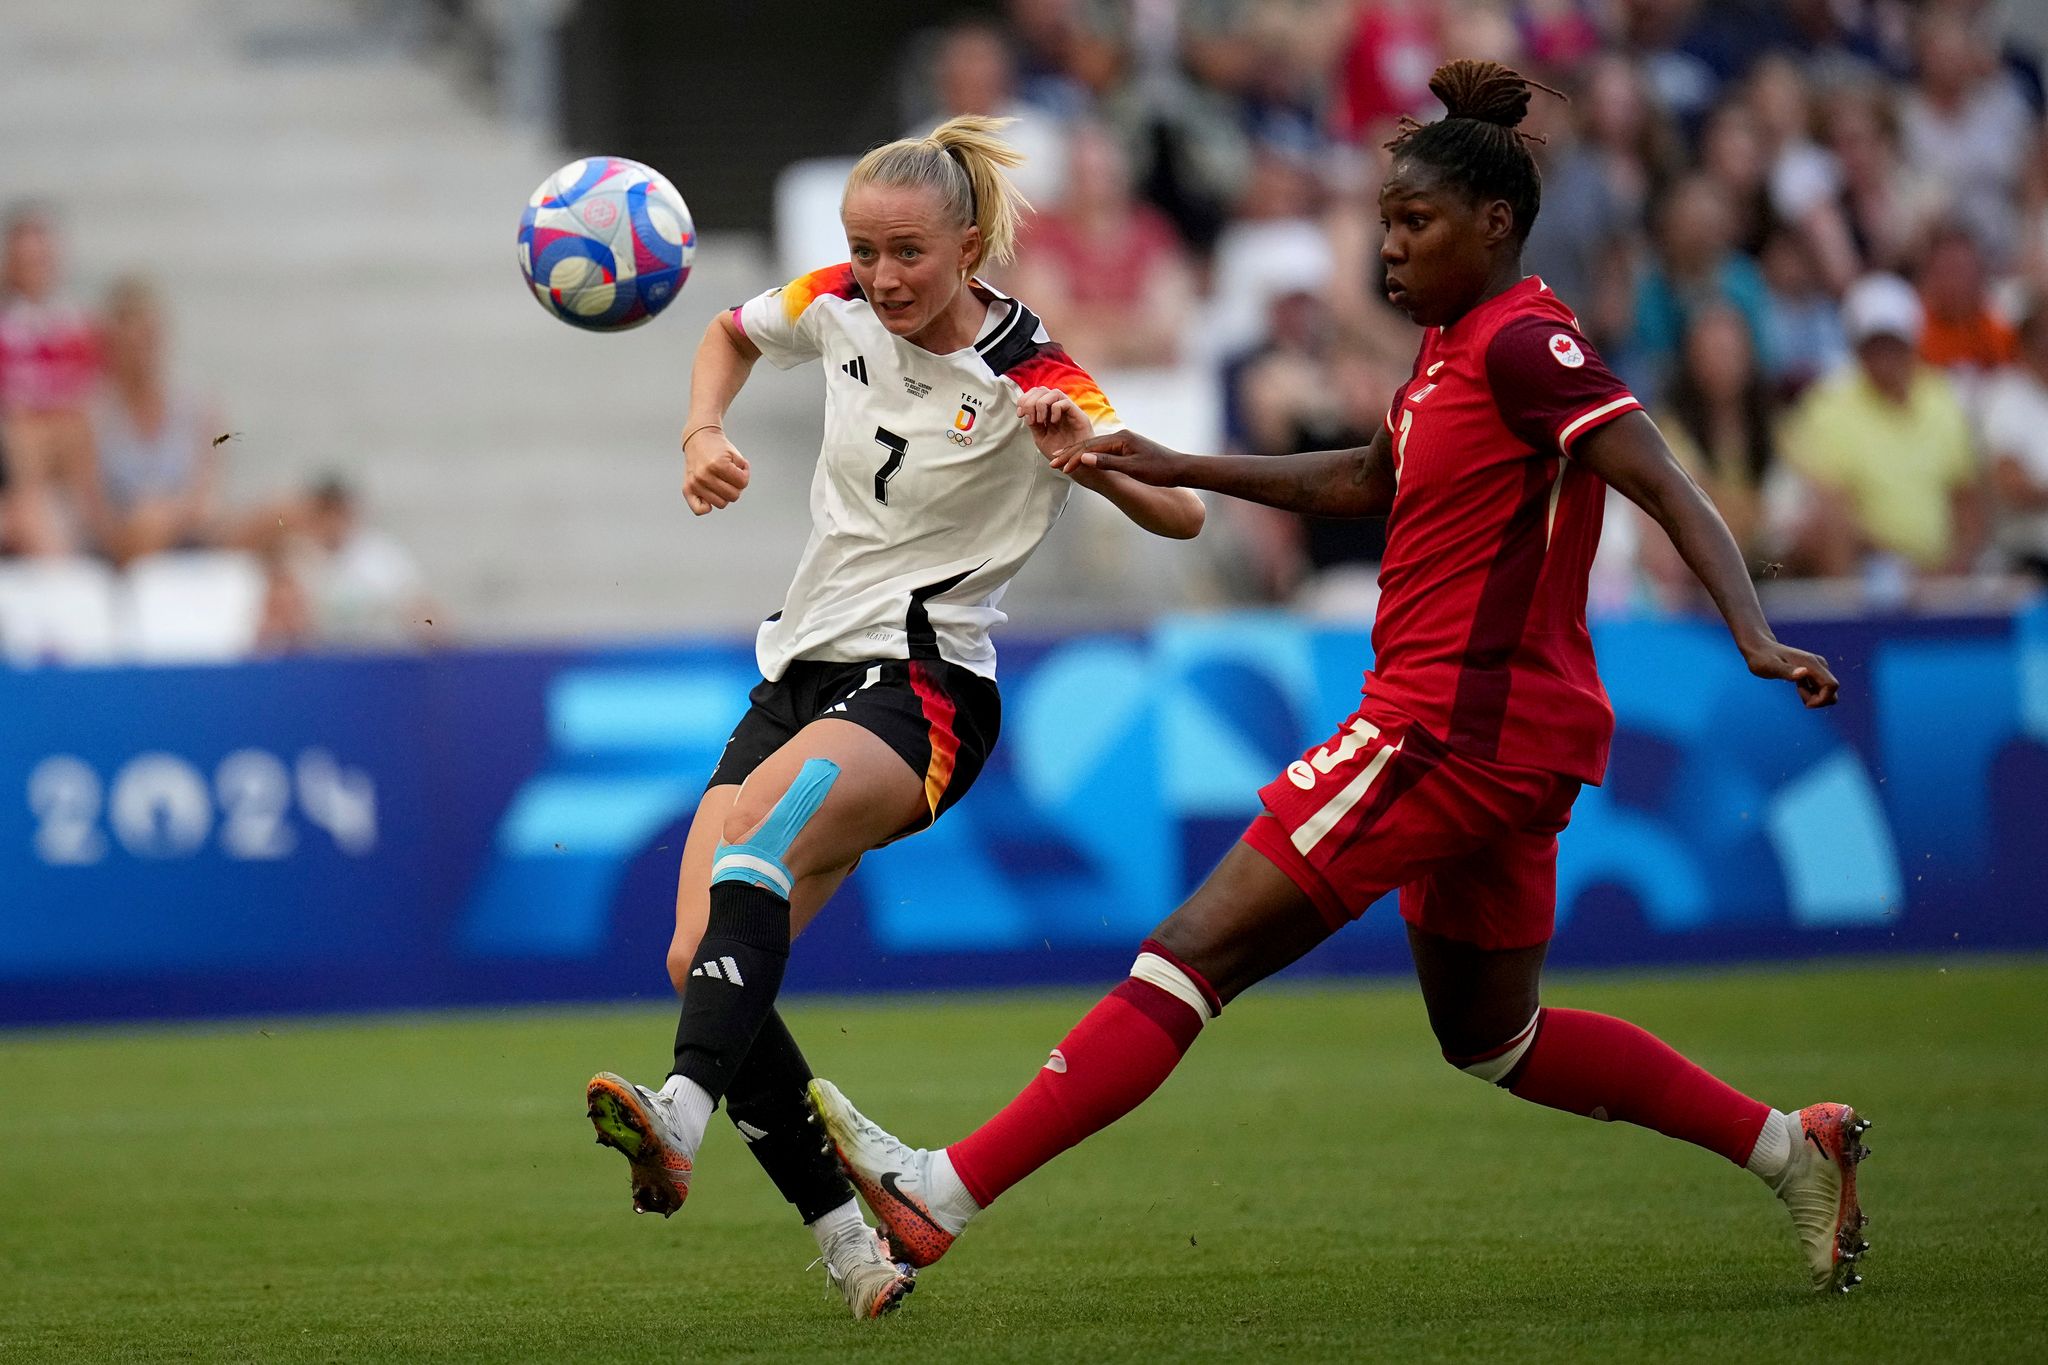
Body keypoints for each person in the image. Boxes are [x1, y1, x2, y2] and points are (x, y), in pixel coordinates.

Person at [809, 61, 1871, 1302]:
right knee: (1494, 1038)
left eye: (1413, 224)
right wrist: (1163, 459)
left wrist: (1747, 630)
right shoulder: (1449, 357)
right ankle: (1793, 1147)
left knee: (1190, 952)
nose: (1388, 249)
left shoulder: (1528, 343)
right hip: (1513, 743)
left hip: (1445, 728)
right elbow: (1361, 482)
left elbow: (1658, 475)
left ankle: (940, 1194)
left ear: (1493, 224)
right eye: (1382, 223)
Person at [579, 116, 1203, 1321]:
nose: (881, 277)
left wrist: (1093, 458)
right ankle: (857, 1246)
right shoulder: (838, 304)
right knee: (696, 960)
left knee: (753, 850)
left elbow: (1179, 518)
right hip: (798, 675)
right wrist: (702, 430)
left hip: (922, 693)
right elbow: (724, 331)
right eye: (862, 250)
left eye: (907, 252)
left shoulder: (1034, 370)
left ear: (969, 246)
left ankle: (680, 1116)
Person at [1780, 272, 1983, 580]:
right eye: (1874, 346)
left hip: (1939, 574)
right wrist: (1897, 562)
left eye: (1894, 345)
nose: (1885, 357)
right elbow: (1829, 506)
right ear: (1858, 350)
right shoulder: (1829, 405)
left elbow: (1965, 495)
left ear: (1912, 344)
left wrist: (1953, 565)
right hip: (1869, 567)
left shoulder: (1941, 398)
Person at [85, 276, 224, 564]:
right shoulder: (91, 416)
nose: (143, 354)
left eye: (150, 339)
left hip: (187, 535)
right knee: (146, 522)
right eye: (133, 342)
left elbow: (206, 499)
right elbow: (95, 517)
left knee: (284, 515)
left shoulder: (198, 408)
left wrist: (167, 515)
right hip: (119, 547)